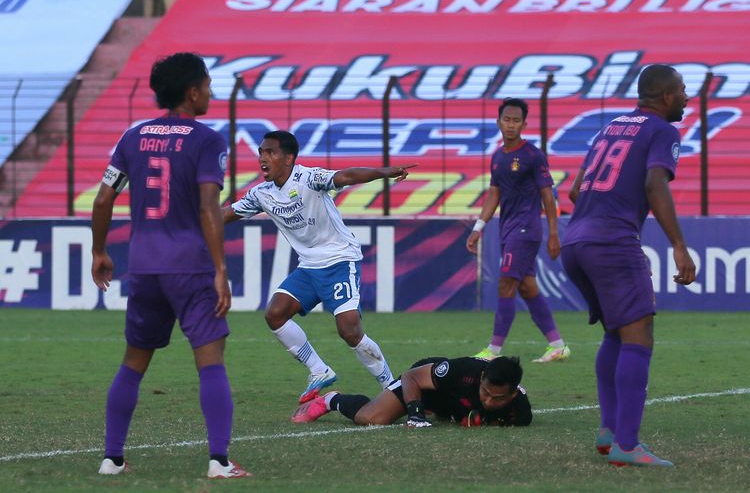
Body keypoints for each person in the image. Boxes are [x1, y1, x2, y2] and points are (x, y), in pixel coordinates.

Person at [91, 52, 249, 479]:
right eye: (209, 85)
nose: (213, 92)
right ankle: (219, 461)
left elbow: (104, 198)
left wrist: (99, 251)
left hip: (143, 266)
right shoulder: (207, 139)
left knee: (133, 361)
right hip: (191, 267)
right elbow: (207, 207)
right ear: (192, 91)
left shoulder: (133, 136)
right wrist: (220, 269)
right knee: (211, 362)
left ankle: (112, 458)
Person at [562, 64, 696, 467]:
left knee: (617, 334)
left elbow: (574, 188)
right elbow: (654, 184)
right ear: (667, 96)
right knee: (639, 336)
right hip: (611, 243)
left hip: (576, 239)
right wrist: (678, 245)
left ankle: (609, 430)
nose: (688, 98)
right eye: (684, 90)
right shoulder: (662, 131)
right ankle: (627, 444)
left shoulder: (611, 127)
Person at [224, 130, 416, 403]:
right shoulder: (261, 194)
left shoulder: (308, 178)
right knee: (275, 314)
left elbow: (346, 177)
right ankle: (318, 370)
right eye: (261, 153)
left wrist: (384, 172)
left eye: (270, 152)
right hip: (309, 266)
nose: (263, 158)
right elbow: (226, 214)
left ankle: (392, 386)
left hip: (340, 259)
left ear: (289, 158)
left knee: (349, 330)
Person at [466, 98, 570, 363]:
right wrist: (479, 227)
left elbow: (548, 195)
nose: (511, 125)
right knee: (527, 288)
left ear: (524, 123)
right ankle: (557, 345)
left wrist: (554, 233)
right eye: (506, 119)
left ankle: (493, 350)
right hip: (507, 228)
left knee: (506, 283)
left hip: (526, 229)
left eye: (516, 120)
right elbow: (494, 194)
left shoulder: (532, 155)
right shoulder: (498, 156)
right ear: (498, 121)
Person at [291, 355, 531, 428]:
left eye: (496, 398)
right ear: (480, 378)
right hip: (422, 384)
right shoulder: (461, 371)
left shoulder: (520, 412)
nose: (488, 400)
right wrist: (415, 414)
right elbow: (411, 377)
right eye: (484, 392)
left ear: (512, 395)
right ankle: (331, 400)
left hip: (449, 400)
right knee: (372, 418)